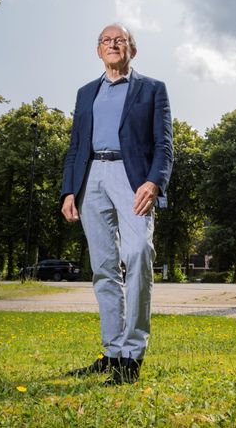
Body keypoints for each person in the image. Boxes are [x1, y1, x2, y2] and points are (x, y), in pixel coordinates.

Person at [60, 23, 173, 386]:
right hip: (92, 177)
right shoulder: (85, 92)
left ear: (132, 50)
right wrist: (68, 191)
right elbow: (76, 145)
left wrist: (154, 182)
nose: (113, 45)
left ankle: (132, 354)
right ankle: (112, 353)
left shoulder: (153, 89)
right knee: (104, 267)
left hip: (133, 179)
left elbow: (164, 145)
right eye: (106, 41)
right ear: (98, 51)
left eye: (120, 40)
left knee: (139, 252)